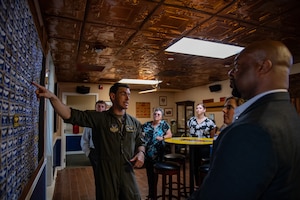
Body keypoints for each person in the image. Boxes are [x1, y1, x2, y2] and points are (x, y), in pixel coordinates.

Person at [190, 40, 300, 200]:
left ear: (263, 67)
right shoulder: (290, 115)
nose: (230, 73)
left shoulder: (250, 129)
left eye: (237, 66)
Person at [33, 82, 146, 200]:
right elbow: (70, 114)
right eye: (123, 94)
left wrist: (141, 153)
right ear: (113, 96)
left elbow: (140, 142)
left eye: (129, 94)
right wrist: (52, 97)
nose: (128, 98)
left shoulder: (134, 122)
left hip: (127, 171)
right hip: (106, 172)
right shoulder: (100, 118)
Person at [142, 107, 172, 200]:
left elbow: (169, 135)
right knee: (149, 174)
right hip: (148, 153)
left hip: (158, 152)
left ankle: (153, 194)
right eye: (155, 114)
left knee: (155, 174)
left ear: (161, 116)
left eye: (158, 114)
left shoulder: (164, 124)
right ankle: (151, 193)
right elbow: (141, 134)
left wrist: (163, 137)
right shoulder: (147, 124)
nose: (156, 116)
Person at [80, 100, 107, 199]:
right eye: (98, 106)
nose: (100, 108)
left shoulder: (108, 122)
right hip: (94, 153)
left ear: (105, 108)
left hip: (107, 153)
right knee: (98, 178)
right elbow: (84, 140)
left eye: (102, 106)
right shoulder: (89, 123)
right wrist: (89, 153)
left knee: (108, 178)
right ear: (95, 108)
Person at [187, 103, 216, 187]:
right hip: (193, 146)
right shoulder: (191, 120)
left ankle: (204, 184)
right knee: (194, 165)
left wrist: (208, 140)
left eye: (200, 108)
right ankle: (196, 184)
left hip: (204, 147)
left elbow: (212, 132)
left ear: (204, 110)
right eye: (197, 108)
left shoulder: (209, 121)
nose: (198, 109)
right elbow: (189, 128)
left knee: (203, 165)